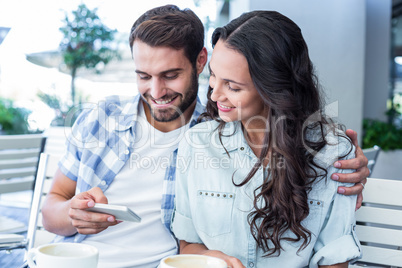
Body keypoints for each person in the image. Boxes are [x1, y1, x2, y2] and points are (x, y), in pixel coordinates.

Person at [41, 5, 368, 268]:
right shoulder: (102, 118)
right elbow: (50, 209)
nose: (155, 92)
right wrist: (73, 213)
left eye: (170, 75)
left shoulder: (213, 127)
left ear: (199, 62)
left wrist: (349, 163)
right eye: (143, 76)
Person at [172, 11, 363, 268]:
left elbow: (333, 261)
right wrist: (213, 258)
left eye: (233, 86)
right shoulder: (196, 143)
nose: (215, 94)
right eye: (214, 76)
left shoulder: (332, 152)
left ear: (274, 88)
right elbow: (187, 244)